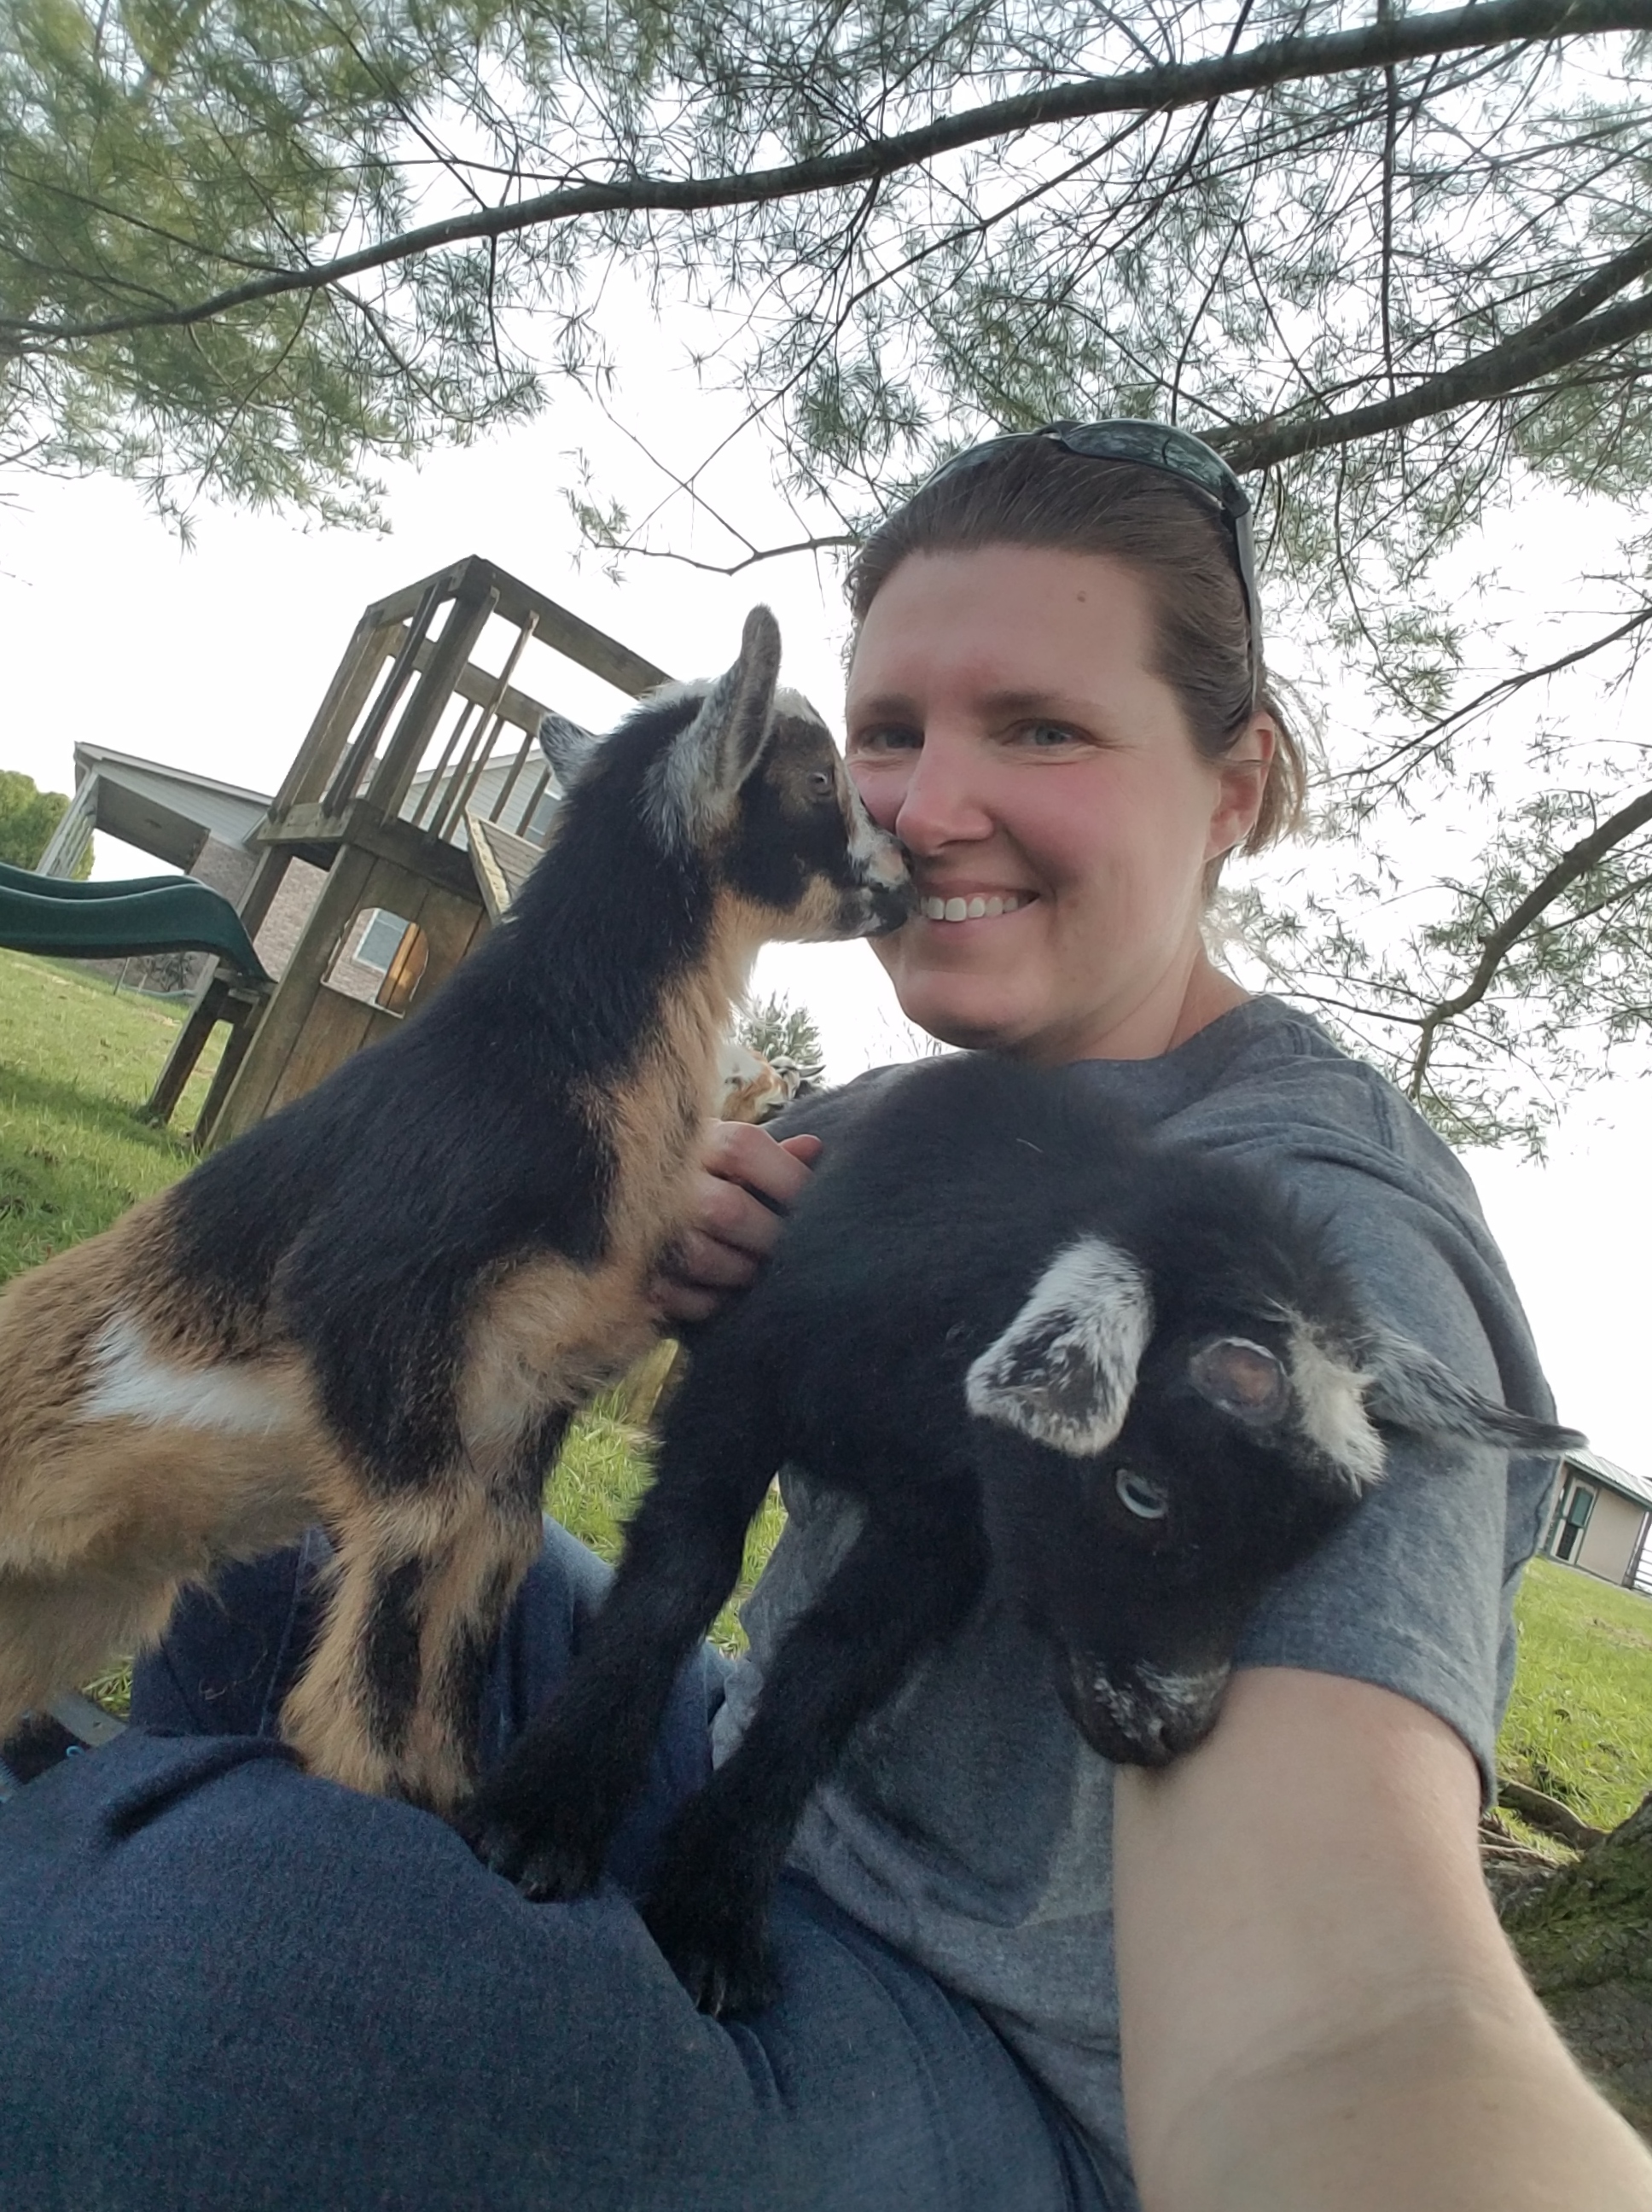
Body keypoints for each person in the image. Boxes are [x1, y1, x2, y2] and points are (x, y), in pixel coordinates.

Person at [1, 423, 1647, 2212]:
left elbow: (1357, 2019)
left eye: (1041, 730)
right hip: (721, 1771)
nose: (922, 813)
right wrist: (650, 1270)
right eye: (887, 734)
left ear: (1233, 786)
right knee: (279, 1571)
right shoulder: (890, 1114)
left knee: (238, 1949)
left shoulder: (1313, 1253)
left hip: (984, 2063)